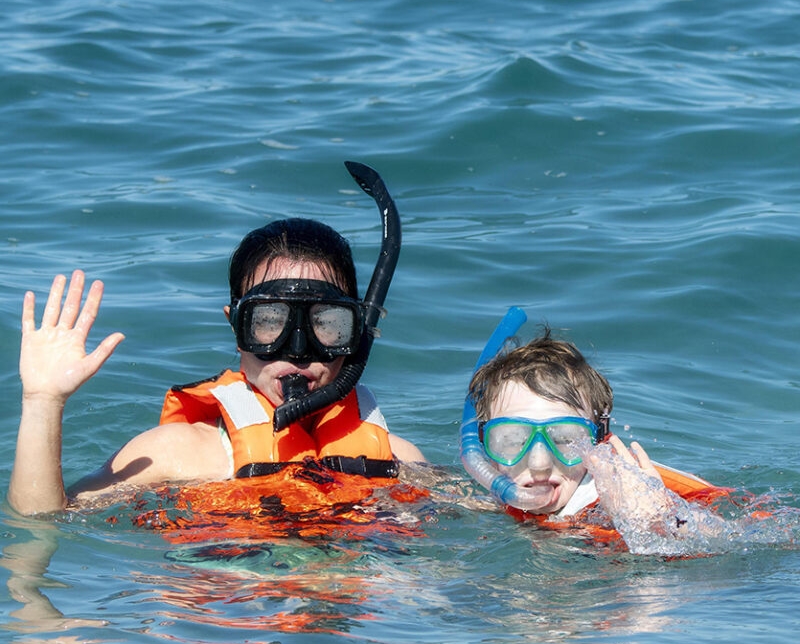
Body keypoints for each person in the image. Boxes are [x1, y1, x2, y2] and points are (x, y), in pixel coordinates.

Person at [8, 162, 425, 517]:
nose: (297, 351)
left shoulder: (397, 460)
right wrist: (43, 403)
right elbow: (44, 520)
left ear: (357, 332)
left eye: (325, 324)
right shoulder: (179, 454)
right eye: (268, 322)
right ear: (236, 327)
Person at [460, 308, 729, 544]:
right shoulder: (498, 493)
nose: (539, 464)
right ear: (483, 446)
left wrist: (659, 523)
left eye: (565, 439)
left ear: (599, 440)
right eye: (513, 439)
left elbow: (738, 542)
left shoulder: (645, 496)